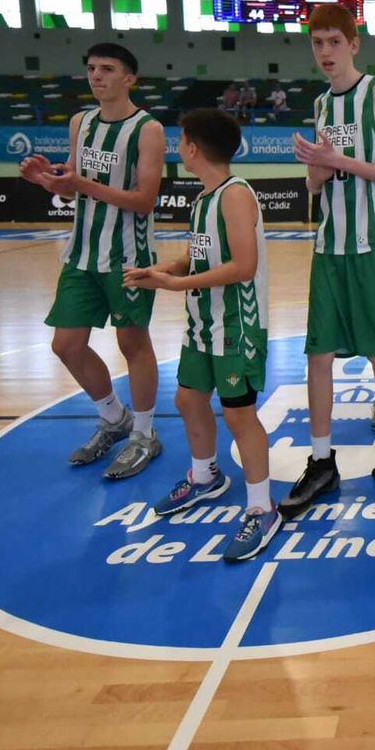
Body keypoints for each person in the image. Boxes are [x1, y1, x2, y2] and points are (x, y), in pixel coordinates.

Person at [286, 4, 375, 515]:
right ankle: (321, 459)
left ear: (353, 44)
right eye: (317, 42)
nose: (325, 52)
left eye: (333, 41)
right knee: (318, 354)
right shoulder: (322, 104)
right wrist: (317, 167)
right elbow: (314, 185)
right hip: (331, 245)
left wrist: (336, 159)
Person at [123, 109, 279, 562]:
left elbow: (243, 267)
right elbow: (198, 258)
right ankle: (205, 476)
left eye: (181, 141)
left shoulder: (236, 195)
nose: (178, 148)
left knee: (239, 415)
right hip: (202, 325)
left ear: (193, 147)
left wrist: (176, 285)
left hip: (236, 326)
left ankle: (262, 508)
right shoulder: (202, 199)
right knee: (188, 400)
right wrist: (161, 270)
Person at [20, 43, 164, 479]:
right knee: (66, 344)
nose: (96, 75)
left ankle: (144, 433)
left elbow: (144, 200)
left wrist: (82, 184)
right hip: (82, 252)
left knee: (132, 344)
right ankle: (114, 417)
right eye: (91, 69)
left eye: (107, 69)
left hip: (128, 255)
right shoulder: (80, 123)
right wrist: (51, 183)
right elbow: (73, 186)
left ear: (129, 78)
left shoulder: (147, 129)